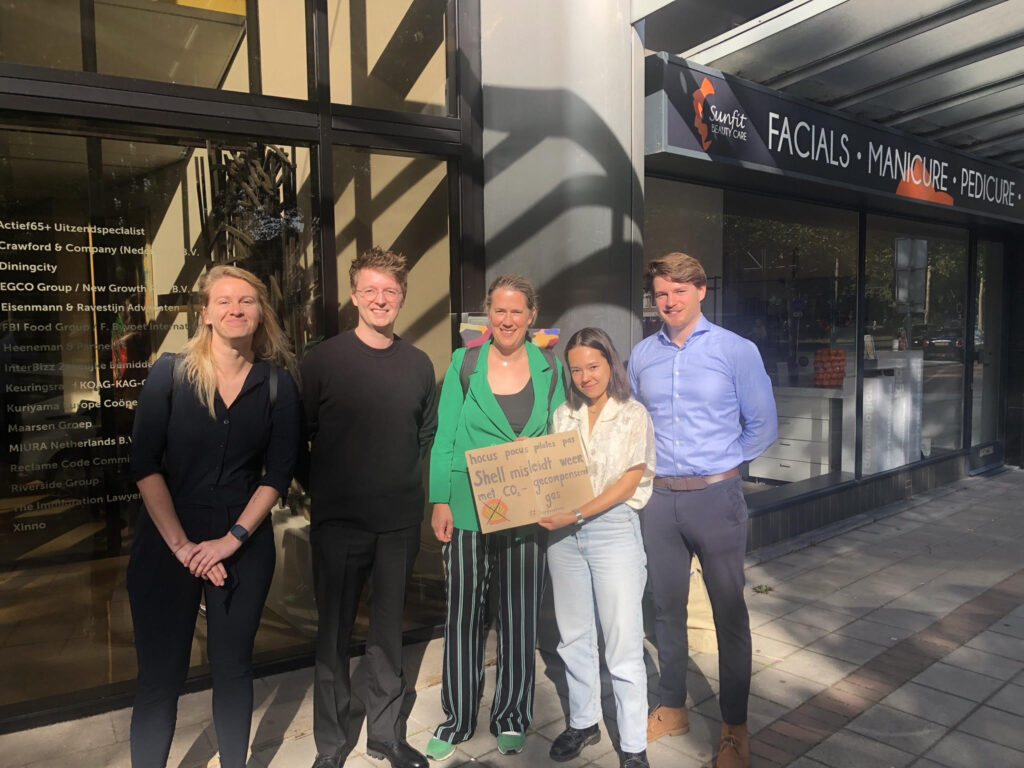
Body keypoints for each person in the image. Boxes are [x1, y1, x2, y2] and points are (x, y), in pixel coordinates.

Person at [127, 265, 301, 768]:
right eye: (223, 301)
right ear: (204, 313)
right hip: (166, 541)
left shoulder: (277, 384)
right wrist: (183, 548)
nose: (235, 309)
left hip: (241, 544)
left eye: (247, 301)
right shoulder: (170, 374)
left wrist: (231, 539)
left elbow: (278, 473)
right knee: (160, 677)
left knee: (233, 669)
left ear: (260, 313)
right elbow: (144, 465)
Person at [628, 253, 776, 768]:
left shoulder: (736, 351)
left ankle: (734, 727)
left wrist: (722, 465)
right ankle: (672, 706)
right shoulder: (641, 355)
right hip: (659, 500)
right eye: (660, 294)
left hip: (716, 498)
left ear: (700, 292)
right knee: (665, 609)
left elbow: (763, 424)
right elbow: (633, 422)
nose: (669, 302)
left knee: (728, 611)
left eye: (679, 291)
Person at [300, 247, 438, 768]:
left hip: (398, 526)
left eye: (390, 291)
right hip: (338, 526)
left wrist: (401, 485)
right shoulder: (323, 360)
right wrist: (325, 490)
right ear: (354, 296)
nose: (381, 300)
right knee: (333, 638)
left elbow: (425, 434)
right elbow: (298, 435)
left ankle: (384, 735)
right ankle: (331, 746)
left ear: (402, 297)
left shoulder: (418, 364)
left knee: (387, 635)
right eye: (371, 290)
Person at [425, 274, 565, 761]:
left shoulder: (550, 367)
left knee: (520, 615)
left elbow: (562, 434)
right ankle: (457, 717)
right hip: (467, 507)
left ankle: (511, 715)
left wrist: (540, 449)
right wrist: (439, 499)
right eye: (499, 311)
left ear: (531, 316)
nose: (507, 319)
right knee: (462, 614)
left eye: (517, 311)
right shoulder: (463, 363)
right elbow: (444, 436)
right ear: (489, 314)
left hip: (525, 507)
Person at [538, 327, 656, 768]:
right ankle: (584, 721)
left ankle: (633, 746)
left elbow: (628, 482)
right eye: (576, 370)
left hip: (612, 531)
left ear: (610, 364)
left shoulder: (632, 413)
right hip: (564, 537)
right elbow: (553, 474)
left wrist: (577, 513)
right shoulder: (563, 414)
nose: (586, 376)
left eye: (593, 366)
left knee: (622, 642)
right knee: (574, 636)